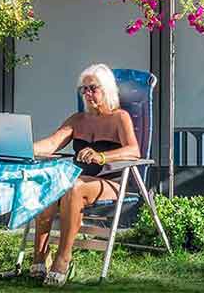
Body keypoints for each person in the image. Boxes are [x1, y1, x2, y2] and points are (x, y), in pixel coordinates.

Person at [31, 63, 140, 287]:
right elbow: (51, 144)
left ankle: (63, 258)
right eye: (84, 89)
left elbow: (134, 151)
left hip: (110, 183)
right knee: (47, 183)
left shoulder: (120, 118)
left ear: (107, 89)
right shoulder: (77, 120)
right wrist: (22, 147)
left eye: (93, 88)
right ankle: (39, 256)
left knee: (73, 186)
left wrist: (102, 157)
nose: (88, 93)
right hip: (78, 182)